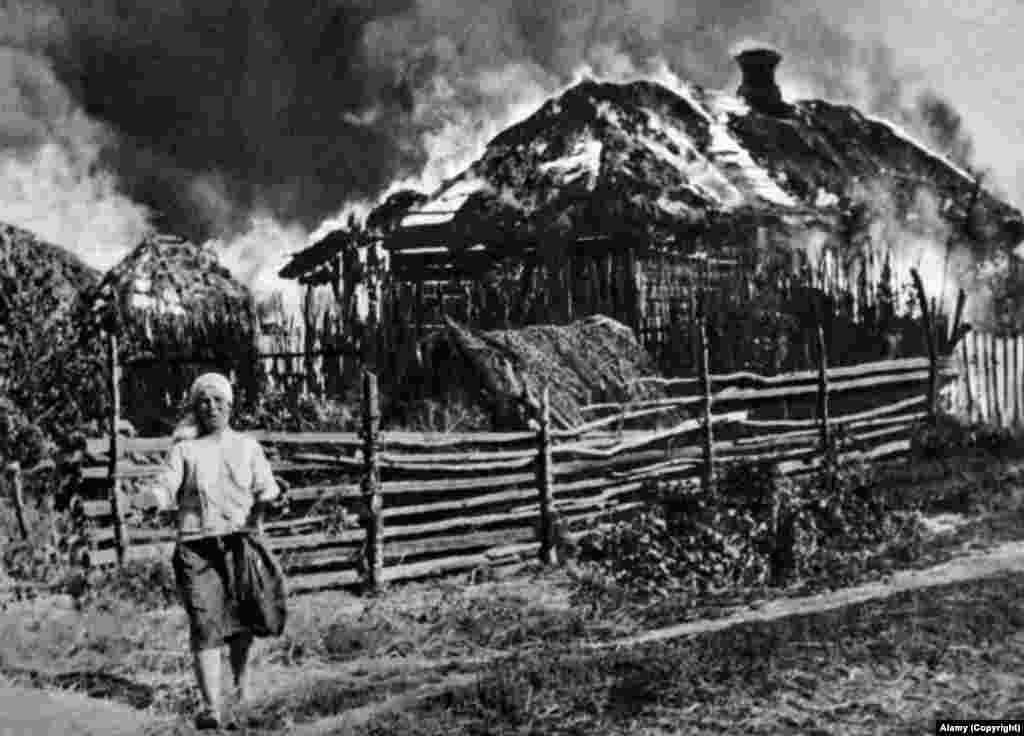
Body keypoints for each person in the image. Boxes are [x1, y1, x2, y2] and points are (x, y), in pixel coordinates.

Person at [132, 372, 281, 731]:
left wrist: (264, 504)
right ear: (195, 408)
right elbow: (167, 484)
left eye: (218, 401)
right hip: (196, 548)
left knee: (243, 622)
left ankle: (241, 688)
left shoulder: (247, 447)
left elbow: (268, 486)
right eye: (203, 401)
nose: (211, 407)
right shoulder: (185, 450)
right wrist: (153, 497)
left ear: (230, 406)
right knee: (204, 623)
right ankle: (211, 706)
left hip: (240, 544)